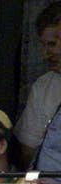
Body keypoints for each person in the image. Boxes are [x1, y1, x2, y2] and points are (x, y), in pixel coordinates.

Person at [15, 1, 61, 166]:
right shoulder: (43, 87)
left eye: (52, 44)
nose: (45, 53)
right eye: (43, 45)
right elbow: (27, 149)